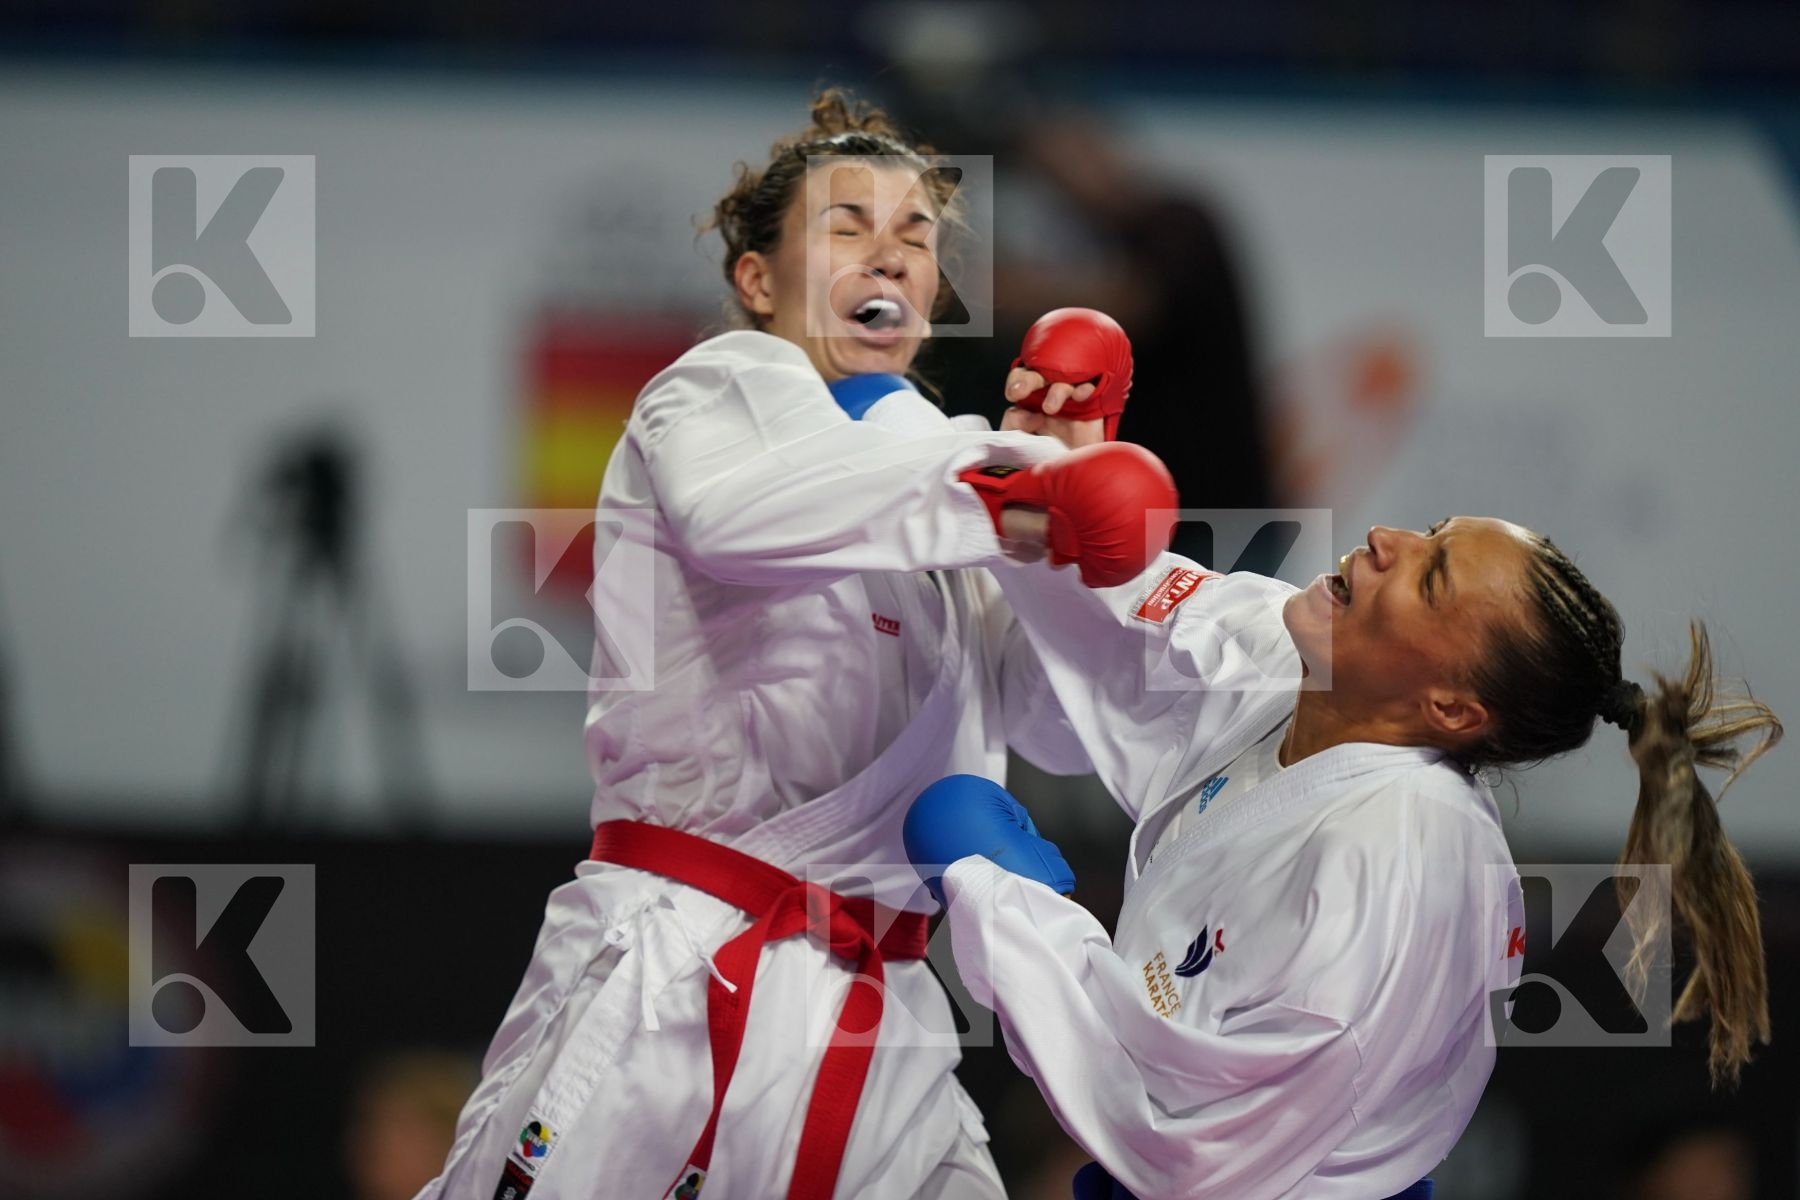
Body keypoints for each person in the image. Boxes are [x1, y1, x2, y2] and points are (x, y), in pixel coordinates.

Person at [417, 90, 1176, 1200]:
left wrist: (1072, 560)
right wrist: (1020, 488)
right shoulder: (716, 392)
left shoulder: (938, 477)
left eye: (916, 238)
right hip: (682, 967)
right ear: (759, 281)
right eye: (848, 226)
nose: (891, 254)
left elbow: (1058, 731)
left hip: (887, 1013)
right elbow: (746, 519)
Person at [905, 515, 1782, 1199]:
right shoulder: (1311, 670)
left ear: (1449, 706)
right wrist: (1056, 476)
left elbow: (1195, 1144)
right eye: (1431, 529)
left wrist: (1013, 907)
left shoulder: (1398, 861)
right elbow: (1155, 623)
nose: (1388, 538)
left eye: (1429, 575)